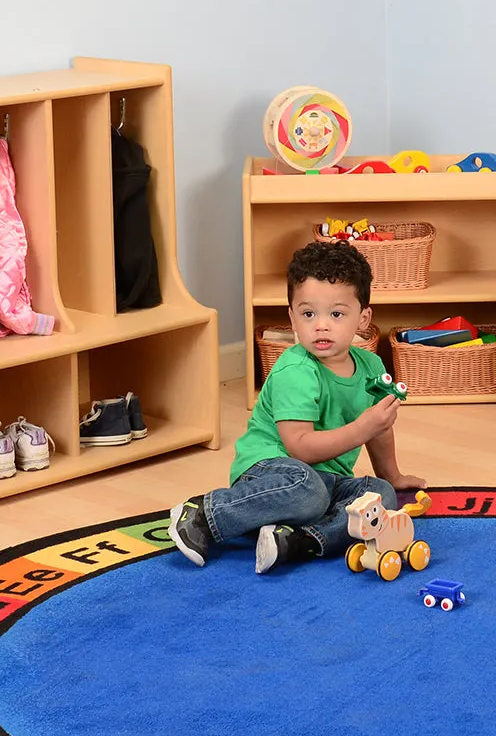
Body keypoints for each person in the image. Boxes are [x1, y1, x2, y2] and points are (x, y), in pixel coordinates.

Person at [170, 239, 427, 574]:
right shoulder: (297, 370)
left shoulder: (371, 367)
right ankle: (206, 512)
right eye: (308, 314)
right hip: (274, 472)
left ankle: (297, 541)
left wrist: (392, 476)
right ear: (292, 318)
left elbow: (379, 431)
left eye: (336, 314)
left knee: (377, 497)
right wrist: (362, 427)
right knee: (308, 492)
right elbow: (299, 448)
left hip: (325, 480)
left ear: (363, 319)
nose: (321, 324)